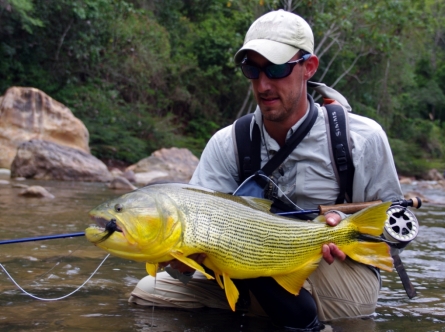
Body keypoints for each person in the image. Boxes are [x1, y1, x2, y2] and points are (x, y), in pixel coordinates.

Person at [128, 9, 403, 330]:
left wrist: (345, 229)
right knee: (149, 293)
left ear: (308, 67)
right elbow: (188, 233)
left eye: (276, 69)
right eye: (252, 70)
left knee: (333, 310)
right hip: (243, 266)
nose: (263, 84)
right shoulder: (227, 143)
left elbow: (397, 229)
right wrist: (182, 264)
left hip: (334, 272)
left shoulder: (361, 138)